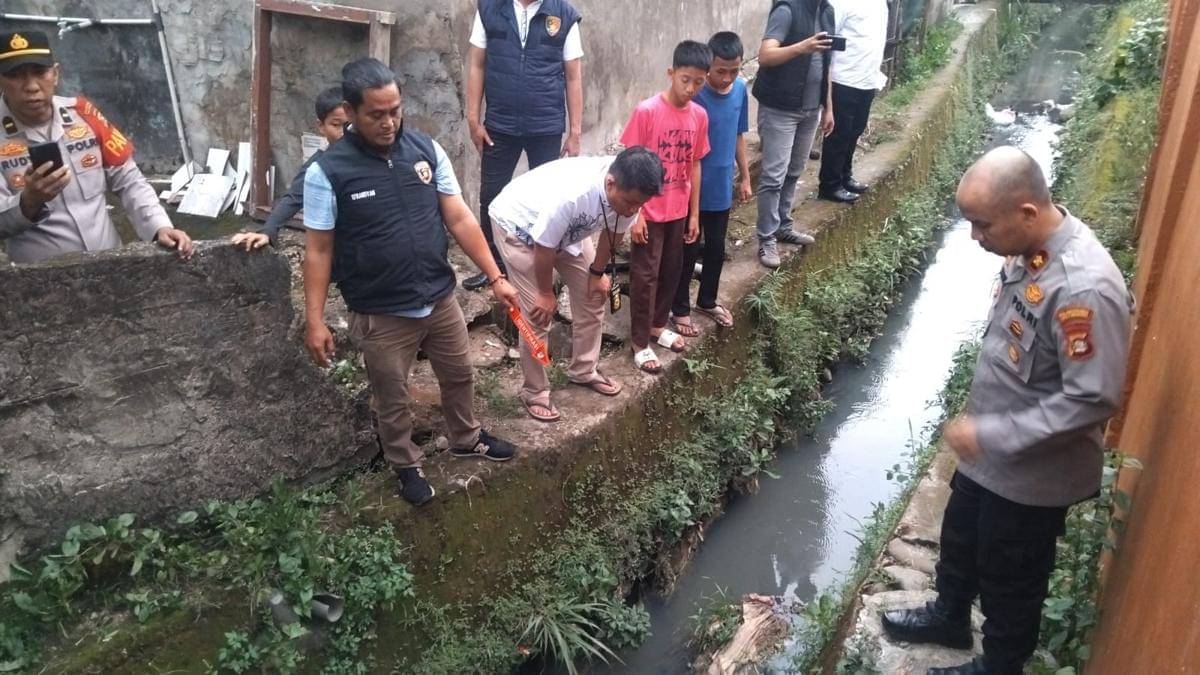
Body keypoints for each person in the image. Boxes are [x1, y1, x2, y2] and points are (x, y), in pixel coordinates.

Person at [881, 147, 1133, 675]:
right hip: (988, 446)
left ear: (1025, 212)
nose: (976, 238)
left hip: (1031, 467)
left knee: (1010, 571)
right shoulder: (1026, 245)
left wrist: (997, 434)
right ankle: (949, 616)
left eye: (982, 225)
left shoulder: (1083, 286)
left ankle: (1000, 665)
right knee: (961, 536)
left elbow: (1093, 397)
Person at [302, 58, 521, 507]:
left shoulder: (424, 150)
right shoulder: (328, 172)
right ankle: (405, 463)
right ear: (351, 111)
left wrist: (497, 276)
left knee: (459, 374)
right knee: (393, 396)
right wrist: (314, 319)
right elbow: (319, 250)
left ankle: (466, 437)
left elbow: (458, 216)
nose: (389, 123)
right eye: (376, 114)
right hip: (380, 310)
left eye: (395, 111)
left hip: (438, 298)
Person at [490, 147, 663, 421]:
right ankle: (534, 391)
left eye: (638, 205)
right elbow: (544, 245)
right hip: (520, 227)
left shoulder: (630, 192)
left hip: (565, 231)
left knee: (594, 295)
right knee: (537, 313)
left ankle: (583, 370)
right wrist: (546, 293)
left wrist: (597, 273)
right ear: (610, 184)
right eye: (630, 202)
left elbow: (614, 232)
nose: (633, 209)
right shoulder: (573, 196)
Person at [0, 30, 193, 264]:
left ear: (56, 74)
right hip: (43, 281)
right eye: (16, 76)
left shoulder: (84, 114)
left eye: (40, 73)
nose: (31, 86)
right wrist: (28, 202)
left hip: (110, 265)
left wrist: (159, 226)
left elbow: (129, 180)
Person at [461, 0, 585, 291]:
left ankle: (541, 264)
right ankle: (494, 267)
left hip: (546, 125)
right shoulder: (489, 9)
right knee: (491, 195)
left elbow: (573, 75)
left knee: (546, 200)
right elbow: (477, 64)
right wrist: (473, 119)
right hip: (499, 125)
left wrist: (575, 131)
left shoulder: (563, 13)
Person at [619, 40, 711, 375]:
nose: (691, 88)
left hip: (679, 209)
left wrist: (694, 213)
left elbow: (695, 165)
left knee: (672, 271)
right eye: (685, 79)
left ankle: (659, 326)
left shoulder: (700, 116)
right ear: (671, 73)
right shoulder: (647, 111)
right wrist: (636, 216)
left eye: (699, 82)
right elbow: (628, 165)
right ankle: (640, 343)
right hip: (650, 211)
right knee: (644, 276)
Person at [670, 31, 751, 336]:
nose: (727, 78)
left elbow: (739, 135)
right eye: (720, 71)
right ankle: (679, 308)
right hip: (691, 189)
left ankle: (707, 300)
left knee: (716, 248)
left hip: (720, 186)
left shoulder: (740, 91)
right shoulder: (695, 95)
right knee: (687, 249)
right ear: (708, 68)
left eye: (734, 71)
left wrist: (744, 176)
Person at [752, 0, 837, 269]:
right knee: (774, 176)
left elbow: (827, 64)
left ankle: (783, 226)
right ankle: (766, 238)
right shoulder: (787, 9)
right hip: (780, 108)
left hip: (811, 109)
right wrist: (803, 46)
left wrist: (828, 107)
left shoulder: (827, 11)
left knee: (794, 170)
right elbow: (765, 56)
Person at [232, 87, 347, 251]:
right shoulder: (319, 167)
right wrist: (268, 231)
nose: (344, 133)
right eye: (336, 125)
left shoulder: (376, 156)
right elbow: (293, 198)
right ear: (321, 126)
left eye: (350, 125)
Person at [818, 0, 889, 200]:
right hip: (843, 78)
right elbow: (829, 41)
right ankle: (830, 184)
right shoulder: (842, 3)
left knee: (856, 129)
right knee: (839, 133)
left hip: (867, 77)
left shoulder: (880, 4)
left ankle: (845, 175)